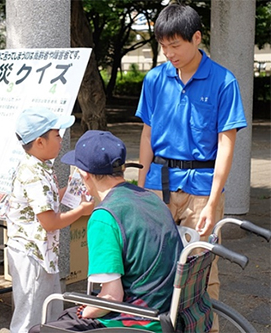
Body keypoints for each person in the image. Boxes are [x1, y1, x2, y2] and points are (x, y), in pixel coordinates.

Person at [135, 5, 247, 330]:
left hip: (202, 190)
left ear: (196, 37)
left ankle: (203, 328)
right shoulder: (155, 79)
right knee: (154, 263)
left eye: (176, 45)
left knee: (202, 271)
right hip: (160, 183)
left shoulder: (223, 81)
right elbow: (147, 134)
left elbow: (227, 143)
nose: (169, 53)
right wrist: (142, 186)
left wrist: (213, 202)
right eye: (163, 46)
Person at [30, 130, 183, 332]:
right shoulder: (150, 197)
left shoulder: (104, 217)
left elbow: (111, 296)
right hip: (170, 310)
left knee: (41, 329)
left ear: (84, 174)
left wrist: (83, 312)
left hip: (138, 319)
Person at [6, 107, 95, 332]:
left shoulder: (40, 166)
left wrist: (73, 191)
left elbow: (50, 198)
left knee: (48, 310)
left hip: (42, 253)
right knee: (30, 316)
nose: (61, 138)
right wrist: (81, 211)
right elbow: (50, 222)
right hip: (32, 255)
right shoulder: (34, 174)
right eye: (56, 134)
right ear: (40, 142)